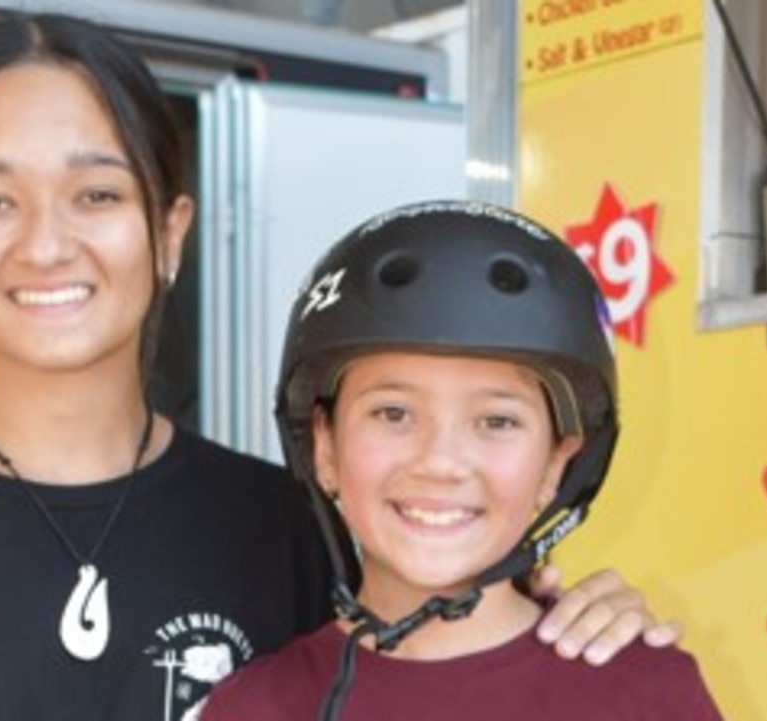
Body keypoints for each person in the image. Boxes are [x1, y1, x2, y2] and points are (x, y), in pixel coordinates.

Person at [0, 15, 681, 721]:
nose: (46, 244)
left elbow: (458, 642)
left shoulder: (301, 529)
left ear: (169, 231)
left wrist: (570, 618)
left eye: (95, 192)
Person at [200, 200, 723, 720]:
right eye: (393, 412)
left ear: (555, 465)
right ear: (325, 447)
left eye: (497, 421)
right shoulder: (252, 708)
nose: (441, 462)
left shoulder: (647, 695)